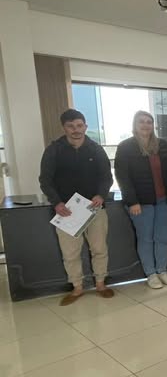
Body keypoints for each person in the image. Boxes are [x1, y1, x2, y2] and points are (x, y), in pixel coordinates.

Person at [39, 109, 115, 306]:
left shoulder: (96, 149)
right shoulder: (54, 150)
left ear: (85, 126)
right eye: (71, 126)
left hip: (94, 208)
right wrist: (57, 202)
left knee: (99, 248)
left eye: (79, 125)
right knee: (70, 253)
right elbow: (45, 180)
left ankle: (100, 284)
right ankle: (77, 287)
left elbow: (106, 177)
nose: (76, 130)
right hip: (66, 210)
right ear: (64, 128)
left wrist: (101, 194)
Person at [115, 111, 167, 289]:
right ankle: (151, 274)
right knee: (146, 239)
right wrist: (132, 201)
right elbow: (122, 176)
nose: (145, 125)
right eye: (141, 121)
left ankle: (162, 270)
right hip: (141, 203)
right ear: (135, 125)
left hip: (165, 200)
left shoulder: (162, 145)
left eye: (149, 122)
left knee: (163, 238)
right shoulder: (126, 147)